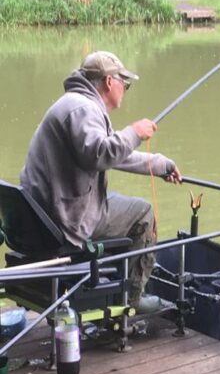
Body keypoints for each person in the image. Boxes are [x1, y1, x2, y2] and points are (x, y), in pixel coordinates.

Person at [20, 51, 181, 312]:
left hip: (49, 213)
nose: (125, 89)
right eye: (125, 84)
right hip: (66, 218)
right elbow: (101, 154)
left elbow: (111, 154)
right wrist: (135, 132)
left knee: (118, 201)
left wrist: (160, 164)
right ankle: (131, 300)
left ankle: (113, 286)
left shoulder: (76, 105)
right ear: (109, 81)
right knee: (143, 214)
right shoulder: (83, 109)